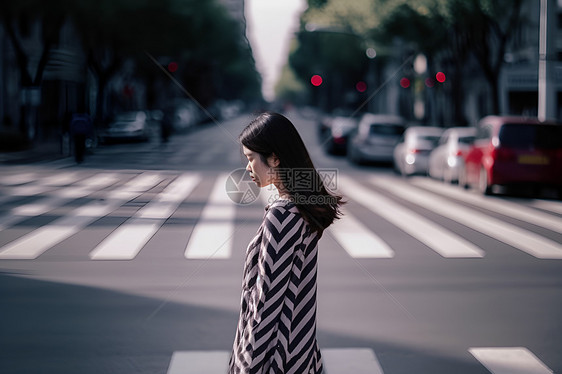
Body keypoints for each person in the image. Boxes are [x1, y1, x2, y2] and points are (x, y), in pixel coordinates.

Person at [229, 112, 344, 374]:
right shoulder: (296, 210)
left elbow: (266, 304)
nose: (248, 167)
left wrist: (246, 366)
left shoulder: (283, 215)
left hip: (277, 361)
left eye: (250, 158)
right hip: (298, 355)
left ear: (274, 158)